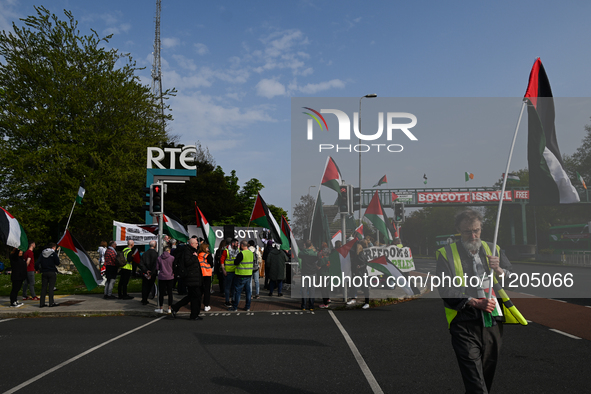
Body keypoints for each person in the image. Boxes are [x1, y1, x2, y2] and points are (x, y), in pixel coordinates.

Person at [436, 209, 526, 393]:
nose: (473, 235)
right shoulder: (446, 254)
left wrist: (499, 269)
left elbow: (514, 280)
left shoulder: (494, 249)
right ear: (458, 230)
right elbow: (445, 289)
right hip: (463, 321)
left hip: (492, 320)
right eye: (467, 231)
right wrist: (474, 302)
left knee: (485, 374)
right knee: (475, 379)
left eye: (476, 230)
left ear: (481, 228)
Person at [171, 237, 204, 320]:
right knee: (196, 296)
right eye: (197, 243)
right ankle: (194, 315)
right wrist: (194, 257)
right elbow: (187, 262)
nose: (198, 245)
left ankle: (175, 307)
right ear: (192, 244)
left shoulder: (191, 251)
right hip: (191, 278)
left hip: (194, 278)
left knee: (191, 296)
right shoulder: (188, 251)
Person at [229, 240, 254, 312]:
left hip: (241, 274)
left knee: (238, 291)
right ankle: (247, 307)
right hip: (249, 274)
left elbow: (236, 263)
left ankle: (235, 307)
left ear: (242, 245)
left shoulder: (241, 253)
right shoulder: (250, 253)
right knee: (248, 292)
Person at [347, 237, 370, 309]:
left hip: (362, 274)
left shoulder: (361, 255)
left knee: (365, 288)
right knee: (353, 286)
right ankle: (353, 299)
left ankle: (367, 303)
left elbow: (365, 263)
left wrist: (360, 266)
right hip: (358, 273)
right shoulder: (358, 255)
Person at [38, 243, 61, 308]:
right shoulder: (53, 254)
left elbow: (37, 263)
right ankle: (51, 302)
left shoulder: (42, 253)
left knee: (44, 288)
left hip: (44, 272)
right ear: (53, 247)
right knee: (51, 288)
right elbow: (57, 263)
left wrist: (39, 269)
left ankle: (42, 303)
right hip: (51, 271)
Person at [299, 240, 319, 311]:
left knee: (304, 289)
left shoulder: (302, 253)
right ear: (311, 245)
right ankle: (311, 305)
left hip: (305, 272)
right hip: (312, 272)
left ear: (305, 245)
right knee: (312, 289)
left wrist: (305, 248)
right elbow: (317, 258)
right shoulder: (315, 254)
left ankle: (303, 305)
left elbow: (299, 254)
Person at [155, 246, 175, 314]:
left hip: (162, 276)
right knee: (170, 293)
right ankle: (169, 308)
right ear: (169, 250)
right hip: (170, 276)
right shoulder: (172, 258)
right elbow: (174, 267)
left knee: (161, 293)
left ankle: (161, 308)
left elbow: (157, 268)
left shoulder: (159, 258)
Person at [221, 238, 239, 307]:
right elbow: (222, 260)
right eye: (237, 243)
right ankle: (227, 301)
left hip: (236, 271)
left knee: (234, 287)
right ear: (233, 243)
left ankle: (233, 300)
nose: (238, 245)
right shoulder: (226, 251)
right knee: (228, 287)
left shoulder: (238, 249)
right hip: (228, 272)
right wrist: (223, 270)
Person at [139, 240, 158, 305]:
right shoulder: (156, 254)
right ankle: (146, 298)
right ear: (155, 245)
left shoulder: (145, 254)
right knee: (150, 286)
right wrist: (151, 272)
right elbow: (156, 265)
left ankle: (144, 299)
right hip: (152, 273)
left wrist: (146, 270)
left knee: (144, 286)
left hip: (145, 273)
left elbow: (141, 264)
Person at [196, 242, 213, 311]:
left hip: (199, 274)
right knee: (207, 291)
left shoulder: (198, 255)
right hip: (207, 274)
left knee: (199, 290)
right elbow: (212, 264)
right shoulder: (208, 255)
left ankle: (198, 304)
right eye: (207, 247)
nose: (208, 249)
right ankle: (206, 305)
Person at [317, 242, 331, 308]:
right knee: (326, 288)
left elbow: (318, 267)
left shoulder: (322, 259)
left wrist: (315, 265)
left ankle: (325, 303)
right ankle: (328, 299)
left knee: (323, 289)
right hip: (328, 274)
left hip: (322, 275)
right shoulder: (330, 259)